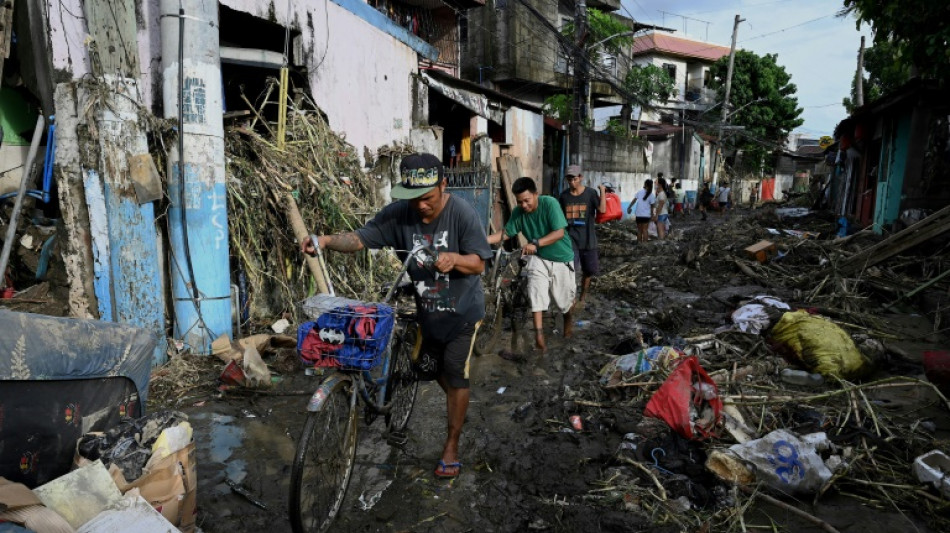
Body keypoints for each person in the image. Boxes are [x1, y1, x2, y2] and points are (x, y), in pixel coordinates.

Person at [301, 153, 492, 479]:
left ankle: (451, 444)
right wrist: (326, 240)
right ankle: (457, 402)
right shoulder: (400, 215)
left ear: (443, 185)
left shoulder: (462, 214)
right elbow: (361, 238)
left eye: (427, 198)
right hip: (427, 312)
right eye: (413, 197)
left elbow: (479, 262)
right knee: (429, 370)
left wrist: (454, 259)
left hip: (462, 313)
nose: (420, 205)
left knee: (456, 373)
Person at [487, 177, 575, 354]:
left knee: (563, 302)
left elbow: (559, 232)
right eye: (520, 202)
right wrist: (482, 241)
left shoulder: (549, 204)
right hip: (539, 258)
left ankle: (567, 321)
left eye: (527, 200)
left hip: (561, 258)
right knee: (537, 294)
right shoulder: (518, 212)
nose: (524, 205)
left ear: (536, 194)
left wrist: (536, 243)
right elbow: (506, 233)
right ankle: (539, 338)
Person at [558, 164, 606, 309]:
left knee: (588, 271)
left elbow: (602, 209)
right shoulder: (564, 196)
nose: (572, 181)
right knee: (571, 270)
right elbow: (559, 217)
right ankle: (571, 298)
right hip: (570, 240)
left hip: (588, 239)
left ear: (580, 177)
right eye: (569, 179)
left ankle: (583, 296)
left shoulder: (590, 193)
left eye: (574, 178)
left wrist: (602, 192)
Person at [626, 179, 656, 243]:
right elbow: (652, 206)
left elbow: (634, 200)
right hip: (646, 216)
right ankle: (645, 244)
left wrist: (629, 207)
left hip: (639, 215)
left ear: (645, 184)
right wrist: (652, 215)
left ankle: (639, 243)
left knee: (639, 230)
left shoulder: (639, 192)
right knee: (645, 230)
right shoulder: (651, 195)